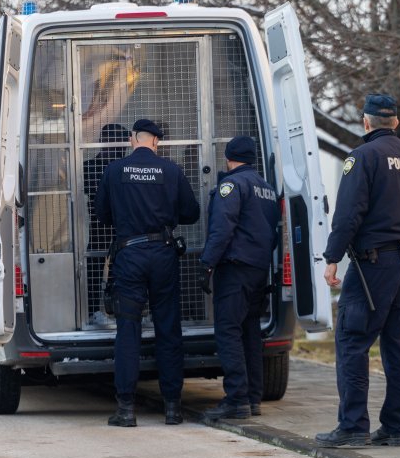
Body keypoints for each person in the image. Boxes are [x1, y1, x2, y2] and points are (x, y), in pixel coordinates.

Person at [315, 94, 400, 448]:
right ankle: (396, 428)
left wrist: (333, 256)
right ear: (396, 122)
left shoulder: (362, 157)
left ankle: (352, 427)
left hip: (373, 263)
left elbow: (349, 212)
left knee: (352, 341)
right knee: (397, 346)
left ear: (365, 122)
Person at [94, 118, 200, 427]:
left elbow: (101, 214)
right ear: (156, 142)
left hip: (129, 255)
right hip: (163, 253)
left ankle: (126, 409)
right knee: (168, 329)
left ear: (131, 140)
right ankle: (172, 408)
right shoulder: (171, 171)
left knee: (128, 330)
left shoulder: (114, 171)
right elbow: (191, 213)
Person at [198, 136, 280, 420]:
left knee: (228, 330)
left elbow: (222, 229)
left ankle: (236, 399)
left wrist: (207, 264)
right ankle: (252, 397)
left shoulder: (232, 185)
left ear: (229, 157)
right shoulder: (266, 188)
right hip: (258, 269)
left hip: (235, 268)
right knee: (249, 332)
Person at [83, 124, 130, 324]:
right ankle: (93, 310)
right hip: (98, 225)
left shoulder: (127, 167)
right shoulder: (89, 167)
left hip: (124, 226)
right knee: (94, 267)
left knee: (122, 269)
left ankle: (118, 308)